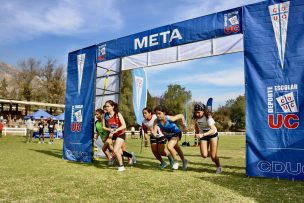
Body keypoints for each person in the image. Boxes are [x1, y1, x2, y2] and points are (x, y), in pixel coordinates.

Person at [102, 100, 135, 172]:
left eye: (108, 106)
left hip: (121, 134)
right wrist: (109, 129)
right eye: (106, 106)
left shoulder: (118, 114)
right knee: (117, 151)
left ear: (113, 107)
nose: (106, 108)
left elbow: (124, 126)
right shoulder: (105, 116)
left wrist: (116, 130)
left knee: (116, 150)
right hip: (113, 135)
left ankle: (121, 166)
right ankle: (130, 156)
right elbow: (103, 127)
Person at [153, 105, 188, 170]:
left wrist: (184, 126)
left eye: (159, 113)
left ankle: (175, 161)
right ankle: (184, 160)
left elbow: (181, 116)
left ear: (164, 113)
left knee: (169, 146)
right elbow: (154, 133)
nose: (157, 115)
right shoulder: (156, 121)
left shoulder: (169, 118)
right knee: (177, 148)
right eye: (156, 114)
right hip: (168, 136)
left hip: (176, 133)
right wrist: (153, 135)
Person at [193, 103, 222, 174]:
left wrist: (203, 134)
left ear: (203, 111)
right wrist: (197, 133)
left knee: (213, 156)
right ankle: (211, 152)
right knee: (204, 155)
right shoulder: (196, 117)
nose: (197, 114)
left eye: (198, 112)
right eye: (196, 112)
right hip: (203, 135)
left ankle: (218, 166)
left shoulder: (208, 117)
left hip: (213, 135)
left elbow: (212, 129)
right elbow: (197, 125)